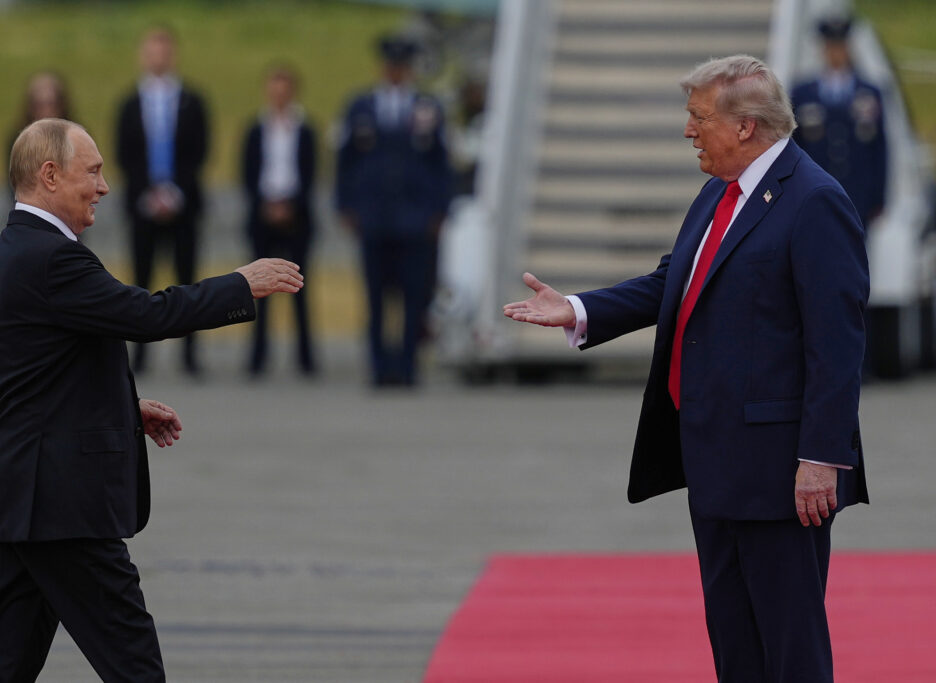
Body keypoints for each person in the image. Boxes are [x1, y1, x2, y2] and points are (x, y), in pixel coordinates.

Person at [504, 55, 868, 682]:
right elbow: (674, 281)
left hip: (781, 472)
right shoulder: (721, 191)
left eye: (700, 118)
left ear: (746, 126)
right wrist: (579, 309)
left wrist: (821, 458)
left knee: (791, 647)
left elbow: (837, 345)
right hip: (715, 458)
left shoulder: (815, 202)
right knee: (735, 643)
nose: (688, 130)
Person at [0, 118, 303, 682]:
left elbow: (41, 370)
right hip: (61, 503)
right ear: (50, 175)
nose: (104, 187)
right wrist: (240, 284)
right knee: (134, 666)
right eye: (92, 172)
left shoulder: (12, 248)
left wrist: (122, 406)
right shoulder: (51, 256)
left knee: (1, 667)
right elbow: (145, 314)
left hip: (28, 494)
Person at [336, 35, 452, 387]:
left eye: (401, 66)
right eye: (391, 65)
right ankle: (379, 366)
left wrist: (439, 209)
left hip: (414, 218)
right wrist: (345, 205)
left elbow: (441, 163)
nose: (396, 72)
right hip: (374, 216)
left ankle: (407, 365)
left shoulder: (427, 107)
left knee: (413, 296)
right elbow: (345, 161)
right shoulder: (361, 106)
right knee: (375, 296)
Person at [115, 25, 209, 375]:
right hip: (143, 205)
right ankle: (139, 355)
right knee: (140, 282)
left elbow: (199, 150)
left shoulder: (192, 100)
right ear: (143, 55)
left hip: (183, 204)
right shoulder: (129, 103)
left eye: (164, 50)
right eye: (152, 50)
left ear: (173, 54)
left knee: (188, 283)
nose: (158, 57)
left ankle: (190, 355)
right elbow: (125, 154)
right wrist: (150, 194)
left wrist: (174, 192)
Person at [242, 64, 317, 376]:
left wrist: (291, 206)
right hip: (263, 214)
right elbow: (247, 172)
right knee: (258, 287)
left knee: (299, 288)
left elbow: (310, 173)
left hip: (296, 216)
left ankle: (306, 358)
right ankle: (258, 357)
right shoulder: (256, 128)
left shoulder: (305, 129)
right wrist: (265, 205)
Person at [791, 16, 887, 229]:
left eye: (840, 46)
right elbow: (795, 146)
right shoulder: (803, 93)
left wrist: (879, 197)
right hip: (815, 191)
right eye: (830, 47)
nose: (835, 53)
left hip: (858, 192)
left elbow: (879, 147)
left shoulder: (868, 93)